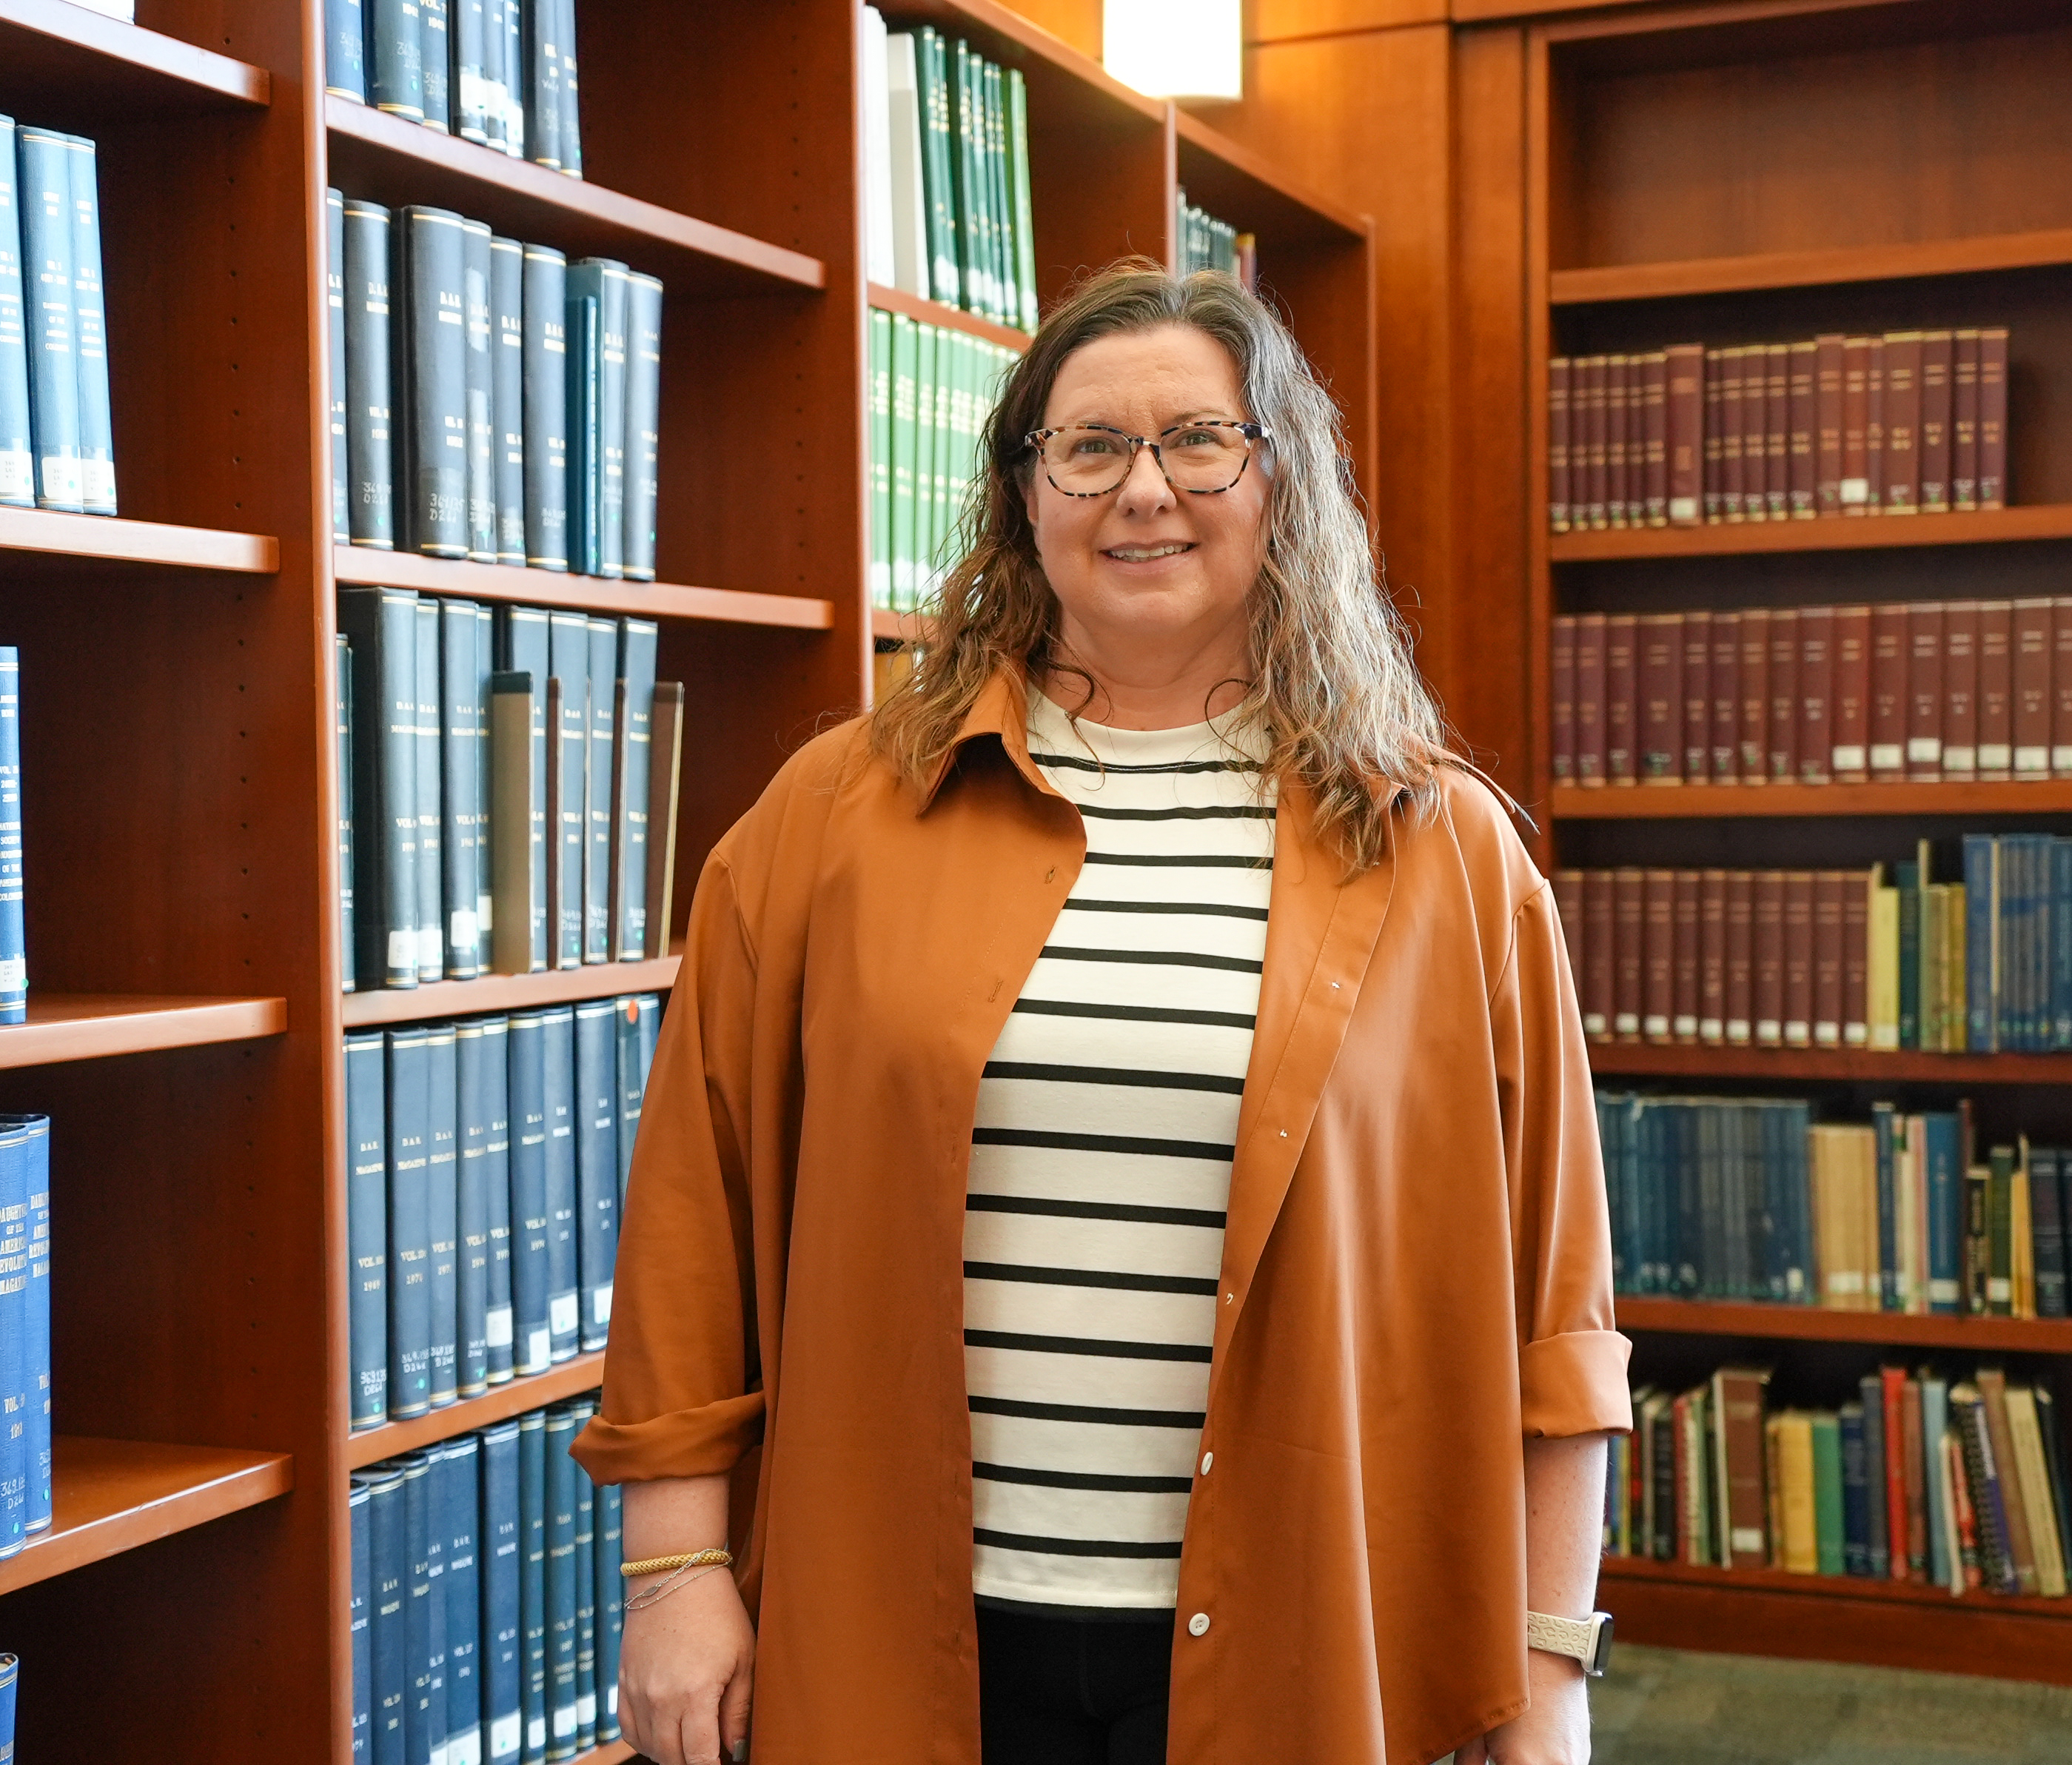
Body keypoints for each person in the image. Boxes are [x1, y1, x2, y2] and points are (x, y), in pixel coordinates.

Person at [571, 260, 1627, 1765]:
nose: (1144, 490)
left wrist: (1547, 1659)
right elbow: (695, 1209)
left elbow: (1554, 1313)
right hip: (900, 1627)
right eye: (1088, 448)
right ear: (1021, 495)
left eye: (1200, 441)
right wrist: (673, 1571)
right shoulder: (831, 816)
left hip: (1303, 1633)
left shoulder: (1442, 854)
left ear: (1284, 485)